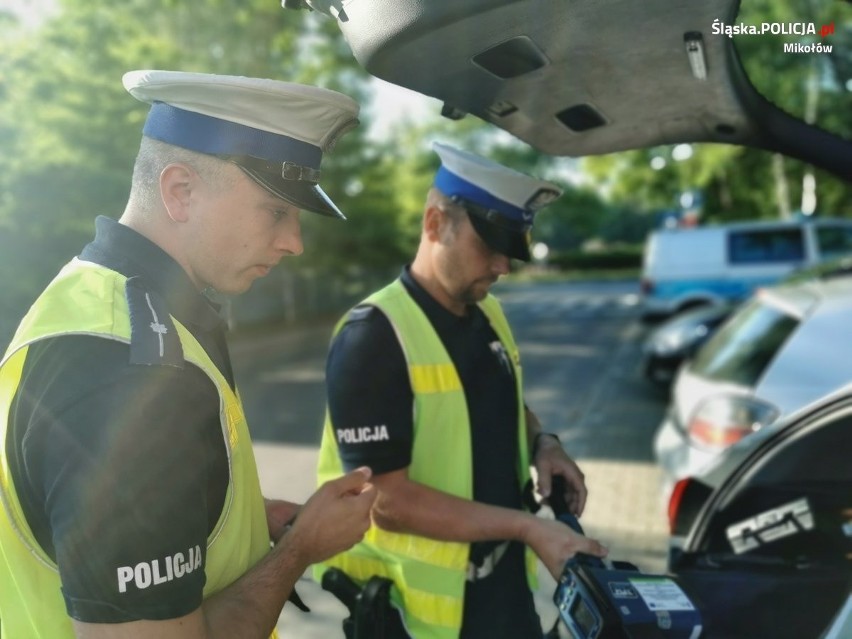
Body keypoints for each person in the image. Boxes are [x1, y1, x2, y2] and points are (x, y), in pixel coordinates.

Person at [0, 69, 376, 639]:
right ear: (180, 191)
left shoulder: (104, 299)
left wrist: (245, 519)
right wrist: (301, 548)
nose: (294, 241)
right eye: (276, 211)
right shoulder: (126, 375)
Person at [314, 142, 608, 639]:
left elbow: (498, 402)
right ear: (434, 224)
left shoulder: (485, 311)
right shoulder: (374, 335)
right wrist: (528, 527)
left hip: (505, 593)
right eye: (489, 246)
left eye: (511, 250)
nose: (503, 268)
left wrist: (543, 442)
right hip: (427, 619)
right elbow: (386, 500)